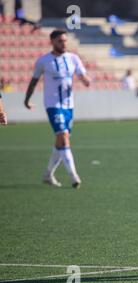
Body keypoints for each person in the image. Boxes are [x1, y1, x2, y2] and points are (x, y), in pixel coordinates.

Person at [24, 29, 91, 188]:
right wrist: (27, 100)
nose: (64, 44)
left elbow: (83, 75)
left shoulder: (73, 58)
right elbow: (33, 81)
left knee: (61, 142)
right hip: (53, 105)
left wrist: (85, 79)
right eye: (60, 41)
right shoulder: (43, 61)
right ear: (52, 42)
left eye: (65, 41)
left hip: (69, 106)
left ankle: (47, 174)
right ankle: (74, 176)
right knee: (63, 137)